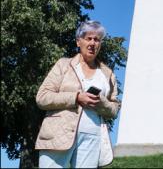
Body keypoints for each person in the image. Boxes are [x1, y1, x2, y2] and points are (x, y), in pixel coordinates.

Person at [35, 21, 120, 168]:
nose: (93, 43)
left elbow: (114, 109)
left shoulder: (107, 74)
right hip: (58, 134)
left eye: (97, 39)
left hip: (92, 137)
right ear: (78, 41)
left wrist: (100, 103)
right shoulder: (63, 65)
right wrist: (76, 97)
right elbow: (42, 97)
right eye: (88, 38)